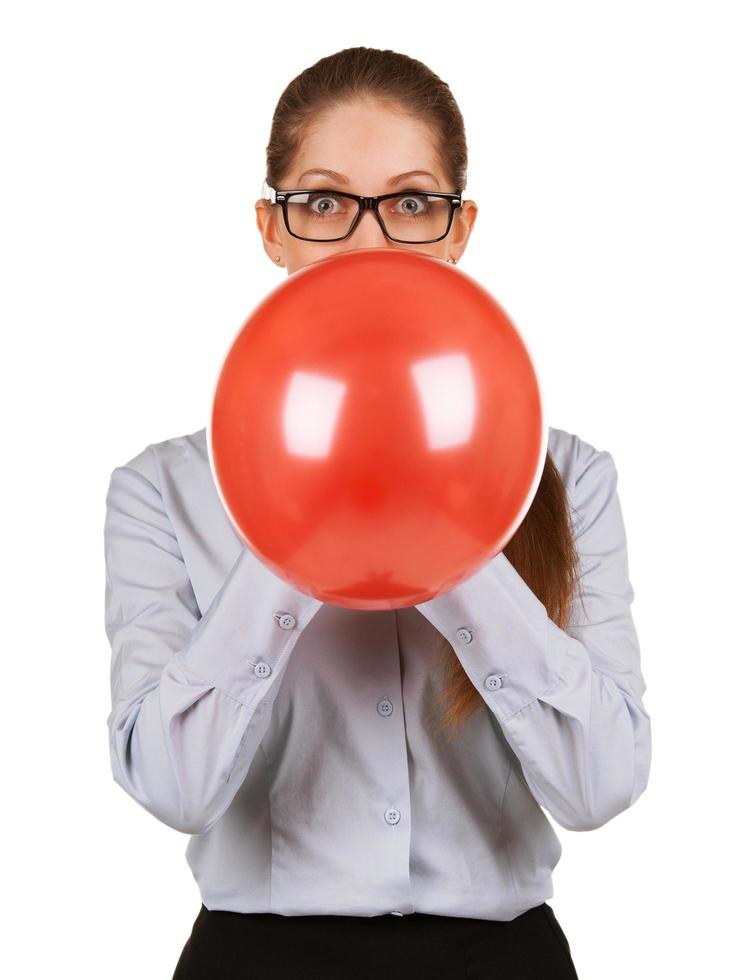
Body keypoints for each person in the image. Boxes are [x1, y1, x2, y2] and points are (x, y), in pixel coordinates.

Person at [103, 46, 651, 980]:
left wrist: (456, 533)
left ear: (458, 229)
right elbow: (173, 789)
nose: (367, 245)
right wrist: (294, 522)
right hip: (258, 958)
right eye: (322, 202)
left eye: (409, 202)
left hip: (501, 957)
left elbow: (602, 787)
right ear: (273, 231)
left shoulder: (570, 473)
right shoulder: (162, 486)